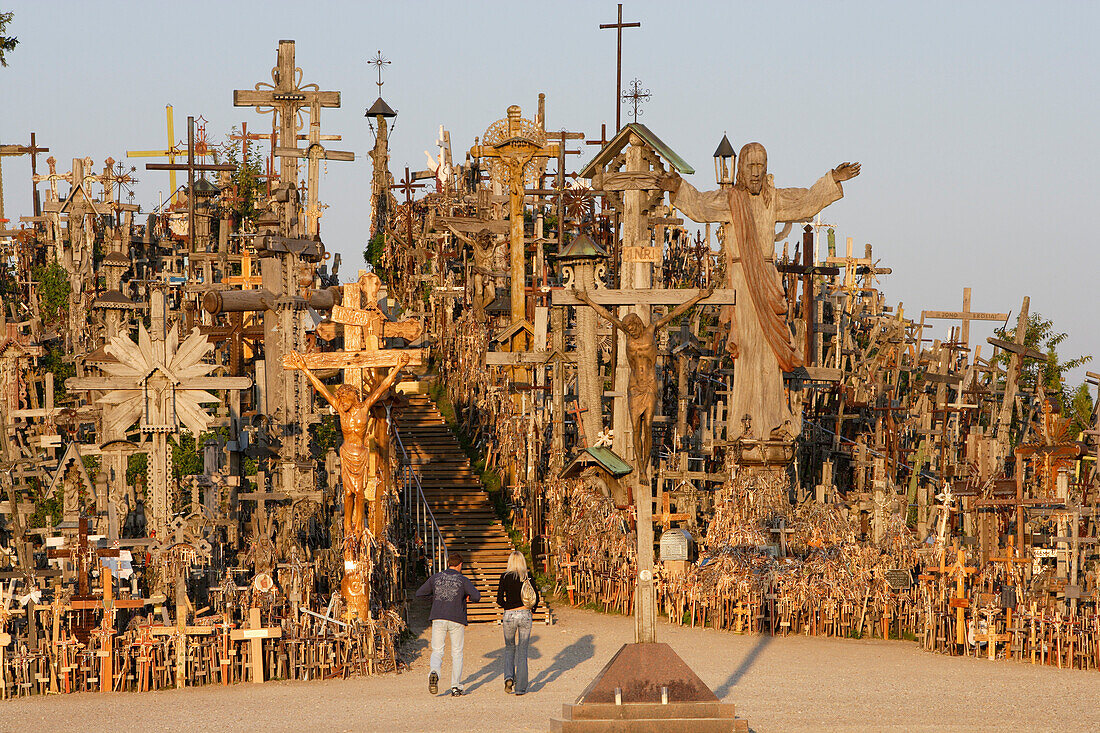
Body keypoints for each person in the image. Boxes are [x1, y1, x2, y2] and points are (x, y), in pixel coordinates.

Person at [416, 552, 481, 696]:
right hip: (456, 617)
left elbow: (420, 593)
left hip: (438, 616)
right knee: (457, 652)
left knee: (437, 650)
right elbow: (477, 596)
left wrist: (435, 599)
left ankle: (434, 672)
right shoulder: (462, 579)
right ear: (460, 565)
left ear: (448, 563)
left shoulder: (436, 577)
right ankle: (455, 686)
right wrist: (466, 597)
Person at [496, 550, 540, 695]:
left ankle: (509, 677)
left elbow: (499, 599)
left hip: (509, 615)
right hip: (525, 613)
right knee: (522, 651)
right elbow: (536, 598)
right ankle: (520, 687)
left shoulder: (505, 577)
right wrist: (531, 610)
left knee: (509, 648)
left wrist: (508, 607)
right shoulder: (527, 577)